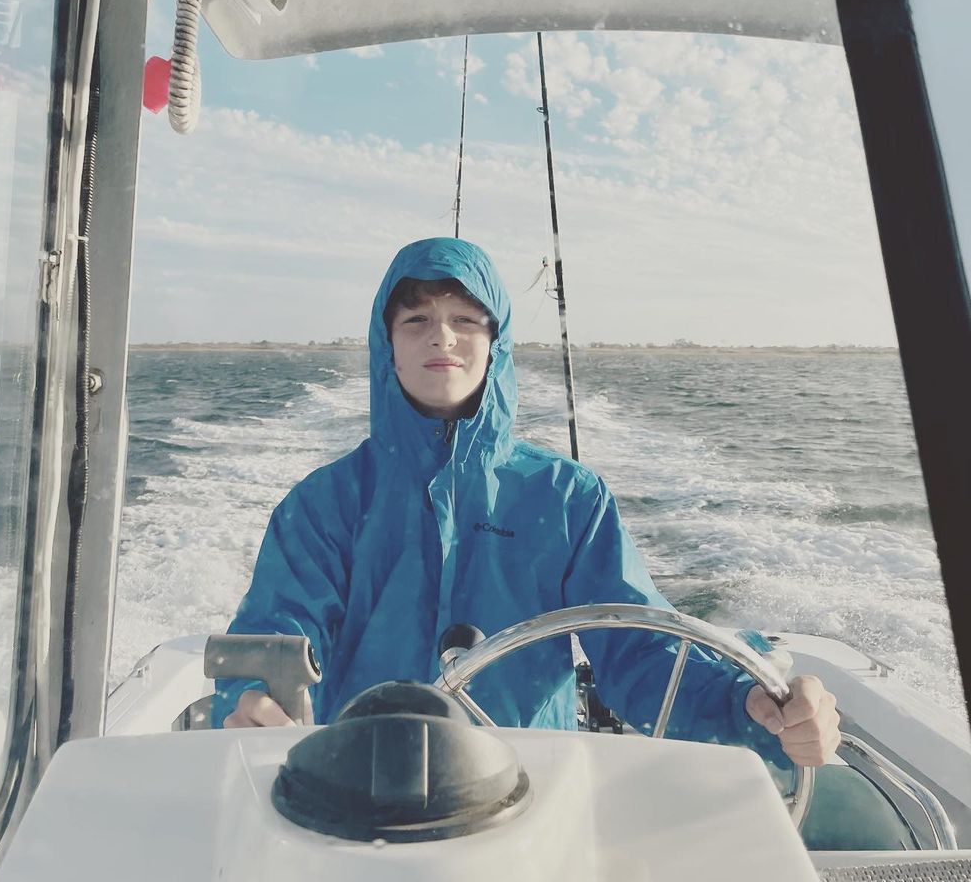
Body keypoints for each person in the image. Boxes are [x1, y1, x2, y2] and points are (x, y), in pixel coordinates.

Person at [213, 237, 839, 768]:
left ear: (496, 342)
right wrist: (252, 703)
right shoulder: (323, 504)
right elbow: (277, 641)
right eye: (416, 320)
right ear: (387, 346)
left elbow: (640, 650)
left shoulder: (569, 497)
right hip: (358, 784)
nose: (442, 337)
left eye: (466, 319)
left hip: (532, 784)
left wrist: (749, 703)